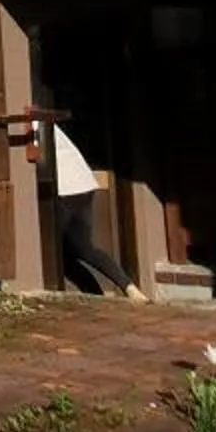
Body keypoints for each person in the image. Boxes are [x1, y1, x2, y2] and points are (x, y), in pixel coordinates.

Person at [51, 121, 147, 300]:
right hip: (83, 184)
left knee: (56, 252)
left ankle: (98, 294)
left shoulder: (32, 121)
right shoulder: (50, 125)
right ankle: (127, 287)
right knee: (84, 249)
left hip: (63, 188)